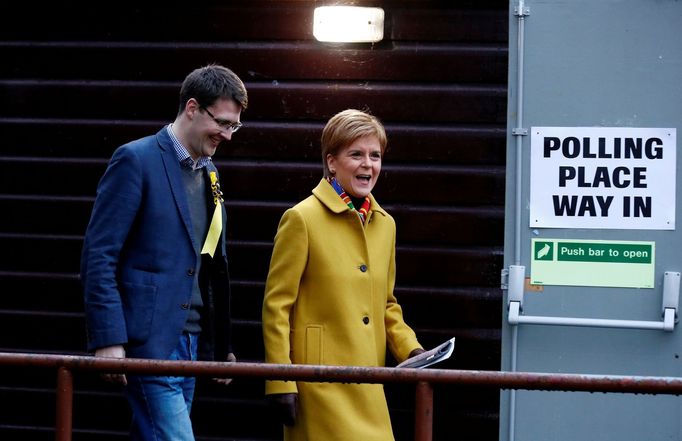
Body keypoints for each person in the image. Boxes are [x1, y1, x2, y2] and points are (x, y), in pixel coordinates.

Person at [80, 64, 248, 441]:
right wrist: (108, 338)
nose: (228, 134)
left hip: (191, 345)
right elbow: (99, 255)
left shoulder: (210, 173)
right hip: (148, 343)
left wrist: (219, 346)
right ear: (192, 108)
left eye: (234, 126)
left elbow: (210, 265)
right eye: (222, 122)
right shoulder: (134, 159)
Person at [262, 109, 425, 440]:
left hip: (368, 382)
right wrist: (280, 380)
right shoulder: (301, 219)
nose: (368, 164)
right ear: (332, 161)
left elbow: (386, 304)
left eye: (375, 155)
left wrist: (412, 350)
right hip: (318, 385)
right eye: (356, 154)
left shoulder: (385, 224)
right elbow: (276, 307)